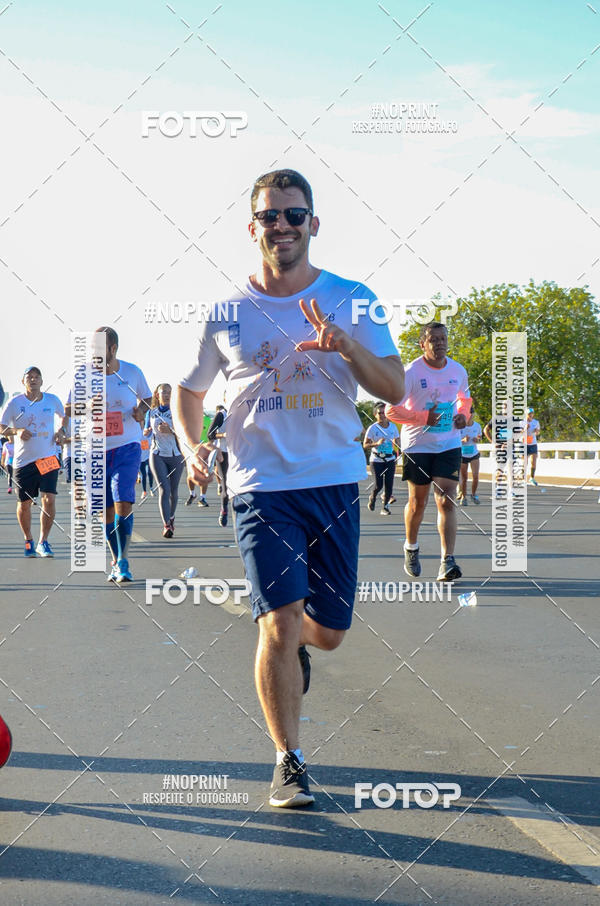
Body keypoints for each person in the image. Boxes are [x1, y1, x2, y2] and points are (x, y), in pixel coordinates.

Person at [175, 168, 404, 808]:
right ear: (253, 227)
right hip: (260, 488)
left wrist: (347, 347)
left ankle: (300, 648)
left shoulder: (355, 299)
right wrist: (194, 446)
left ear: (313, 223)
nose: (281, 225)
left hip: (333, 483)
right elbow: (187, 392)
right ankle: (289, 760)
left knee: (325, 631)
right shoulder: (227, 312)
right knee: (277, 623)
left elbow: (394, 388)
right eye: (270, 216)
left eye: (293, 215)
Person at [386, 322, 470, 581]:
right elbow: (392, 410)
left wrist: (463, 416)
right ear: (422, 344)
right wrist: (424, 418)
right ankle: (411, 547)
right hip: (417, 446)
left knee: (446, 499)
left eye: (443, 338)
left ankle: (448, 560)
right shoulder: (410, 372)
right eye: (433, 339)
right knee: (417, 502)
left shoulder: (458, 370)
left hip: (449, 444)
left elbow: (465, 399)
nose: (440, 343)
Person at [66, 327, 151, 582]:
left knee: (123, 501)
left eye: (99, 348)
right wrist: (87, 405)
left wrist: (140, 411)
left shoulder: (132, 372)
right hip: (95, 450)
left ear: (113, 349)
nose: (93, 353)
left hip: (127, 445)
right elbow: (68, 408)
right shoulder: (83, 374)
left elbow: (147, 398)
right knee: (106, 511)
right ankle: (117, 559)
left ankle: (123, 561)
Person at [0, 366, 65, 557]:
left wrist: (62, 431)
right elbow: (2, 427)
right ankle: (29, 539)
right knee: (25, 503)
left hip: (48, 458)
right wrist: (17, 431)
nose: (34, 380)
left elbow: (64, 416)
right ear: (23, 382)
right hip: (23, 461)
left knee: (49, 499)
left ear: (42, 381)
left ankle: (44, 541)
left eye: (37, 377)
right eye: (30, 377)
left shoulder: (52, 400)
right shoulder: (14, 403)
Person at [145, 383, 185, 537]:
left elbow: (184, 434)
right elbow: (146, 433)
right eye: (164, 392)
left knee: (173, 492)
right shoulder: (151, 412)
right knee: (164, 489)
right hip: (157, 454)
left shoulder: (177, 412)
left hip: (175, 455)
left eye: (169, 392)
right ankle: (166, 525)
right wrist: (147, 431)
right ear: (157, 395)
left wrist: (171, 430)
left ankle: (172, 516)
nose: (167, 395)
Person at [363, 402, 400, 515]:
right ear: (375, 415)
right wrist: (376, 444)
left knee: (389, 484)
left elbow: (397, 441)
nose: (382, 415)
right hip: (376, 460)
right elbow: (365, 445)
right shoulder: (372, 428)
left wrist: (399, 446)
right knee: (379, 484)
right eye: (379, 413)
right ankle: (373, 497)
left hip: (389, 459)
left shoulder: (393, 427)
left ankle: (385, 507)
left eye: (384, 413)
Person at [207, 404, 229, 526]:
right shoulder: (221, 415)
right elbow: (210, 434)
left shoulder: (244, 410)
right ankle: (224, 509)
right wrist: (224, 435)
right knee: (225, 483)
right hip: (224, 453)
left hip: (240, 452)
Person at [458, 405, 482, 505]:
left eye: (471, 414)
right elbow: (454, 441)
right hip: (463, 454)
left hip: (474, 454)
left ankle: (473, 494)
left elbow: (479, 437)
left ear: (473, 414)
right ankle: (463, 496)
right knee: (464, 478)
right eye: (467, 414)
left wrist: (478, 439)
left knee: (475, 476)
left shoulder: (477, 426)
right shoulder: (460, 426)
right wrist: (463, 440)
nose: (470, 415)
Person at [526, 407, 541, 485]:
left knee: (533, 462)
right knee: (524, 463)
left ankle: (532, 478)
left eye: (532, 414)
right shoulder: (522, 422)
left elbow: (538, 432)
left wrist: (537, 431)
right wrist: (525, 428)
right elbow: (519, 433)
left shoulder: (536, 422)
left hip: (533, 443)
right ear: (526, 414)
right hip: (524, 444)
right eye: (529, 414)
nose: (530, 415)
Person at [138, 434, 153, 500]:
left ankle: (151, 489)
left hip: (148, 457)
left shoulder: (149, 434)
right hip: (140, 458)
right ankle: (144, 491)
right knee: (143, 474)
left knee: (149, 472)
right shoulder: (138, 433)